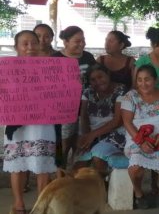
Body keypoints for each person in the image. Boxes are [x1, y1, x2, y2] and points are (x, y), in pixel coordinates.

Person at [3, 30, 57, 214]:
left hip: (43, 123)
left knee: (42, 163)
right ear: (16, 47)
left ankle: (40, 204)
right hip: (16, 124)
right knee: (16, 164)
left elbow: (59, 93)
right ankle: (19, 204)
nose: (30, 47)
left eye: (33, 43)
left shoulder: (51, 68)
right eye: (25, 44)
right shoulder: (5, 68)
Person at [121, 65, 159, 209]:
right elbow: (127, 122)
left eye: (147, 79)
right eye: (139, 80)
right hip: (138, 138)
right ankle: (139, 194)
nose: (143, 83)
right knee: (135, 169)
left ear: (155, 80)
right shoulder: (130, 96)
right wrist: (141, 142)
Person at [52, 25, 97, 169]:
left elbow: (95, 78)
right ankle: (60, 174)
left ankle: (76, 177)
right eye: (77, 41)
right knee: (62, 145)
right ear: (65, 42)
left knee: (81, 144)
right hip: (62, 111)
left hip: (85, 109)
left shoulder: (88, 57)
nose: (82, 44)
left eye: (83, 40)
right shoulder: (55, 58)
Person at [75, 64, 127, 177]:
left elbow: (118, 121)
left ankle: (103, 188)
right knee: (77, 167)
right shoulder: (88, 92)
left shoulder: (121, 91)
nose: (98, 81)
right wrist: (86, 137)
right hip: (93, 135)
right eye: (93, 79)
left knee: (98, 158)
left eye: (100, 77)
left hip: (116, 134)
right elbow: (83, 117)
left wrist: (91, 135)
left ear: (108, 75)